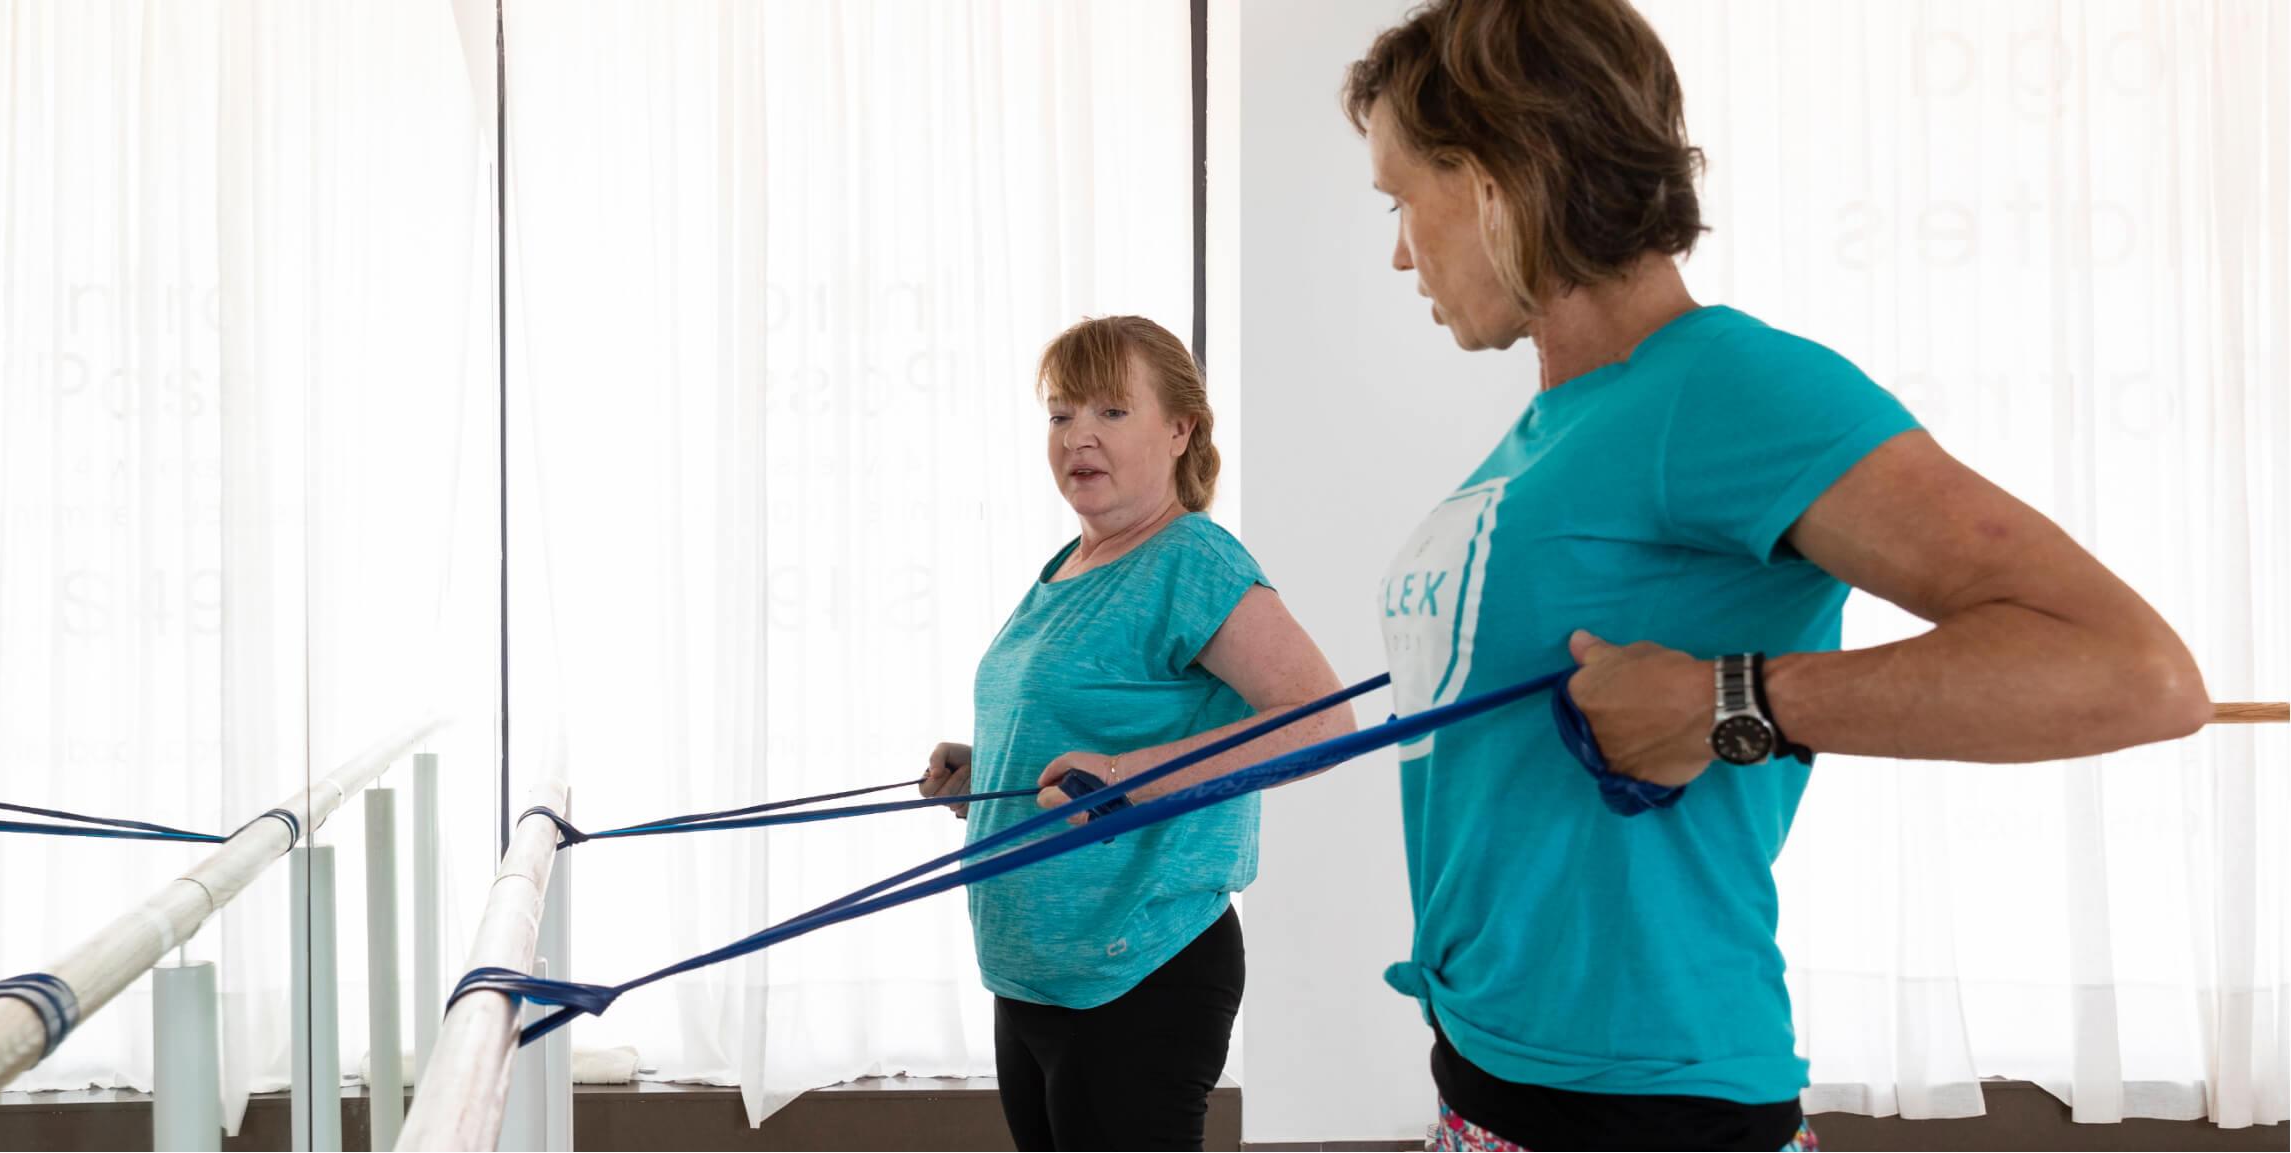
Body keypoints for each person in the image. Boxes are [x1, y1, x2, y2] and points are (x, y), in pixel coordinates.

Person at [1298, 2, 2215, 1148]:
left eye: (1400, 197)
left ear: (1502, 173)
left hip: (1647, 1110)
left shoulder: (1725, 386)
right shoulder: (1554, 429)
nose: (1397, 248)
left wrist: (1727, 701)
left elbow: (2132, 672)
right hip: (1488, 1080)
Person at [917, 315, 1354, 1150]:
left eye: (1111, 411)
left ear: (1180, 427)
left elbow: (1321, 724)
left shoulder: (1192, 558)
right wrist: (985, 778)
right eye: (1059, 413)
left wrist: (1126, 772)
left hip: (1138, 970)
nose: (1078, 434)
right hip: (1036, 973)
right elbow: (1079, 746)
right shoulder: (1067, 566)